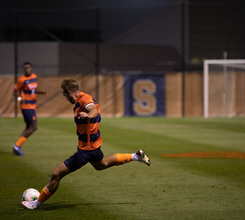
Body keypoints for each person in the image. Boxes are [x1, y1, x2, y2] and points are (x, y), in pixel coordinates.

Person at [22, 79, 151, 210]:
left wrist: (89, 115)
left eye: (65, 96)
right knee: (102, 165)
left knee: (57, 173)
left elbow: (94, 110)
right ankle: (136, 156)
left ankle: (36, 203)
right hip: (93, 146)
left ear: (69, 92)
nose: (66, 99)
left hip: (87, 150)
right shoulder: (80, 101)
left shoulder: (84, 99)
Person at [12, 62, 46, 156]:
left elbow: (32, 90)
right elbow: (14, 92)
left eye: (28, 67)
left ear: (31, 68)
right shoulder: (21, 80)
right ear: (23, 70)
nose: (27, 69)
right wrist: (19, 99)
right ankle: (17, 145)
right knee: (34, 127)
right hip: (26, 106)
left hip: (32, 105)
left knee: (28, 127)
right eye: (25, 68)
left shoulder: (34, 77)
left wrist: (41, 92)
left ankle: (17, 146)